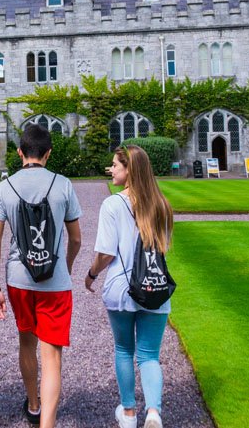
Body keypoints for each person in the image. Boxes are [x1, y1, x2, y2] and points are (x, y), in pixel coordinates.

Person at [0, 123, 82, 428]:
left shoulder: (4, 187)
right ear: (49, 153)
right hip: (55, 281)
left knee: (26, 342)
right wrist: (65, 266)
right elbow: (76, 238)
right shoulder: (63, 184)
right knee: (51, 355)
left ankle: (34, 403)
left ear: (19, 152)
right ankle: (47, 424)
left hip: (18, 278)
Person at [84, 145, 174, 428]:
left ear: (129, 170)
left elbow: (107, 253)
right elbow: (163, 248)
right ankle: (154, 412)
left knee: (124, 349)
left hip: (122, 287)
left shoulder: (113, 204)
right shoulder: (162, 205)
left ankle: (129, 413)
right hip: (154, 286)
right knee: (149, 356)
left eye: (115, 165)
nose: (111, 169)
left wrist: (91, 274)